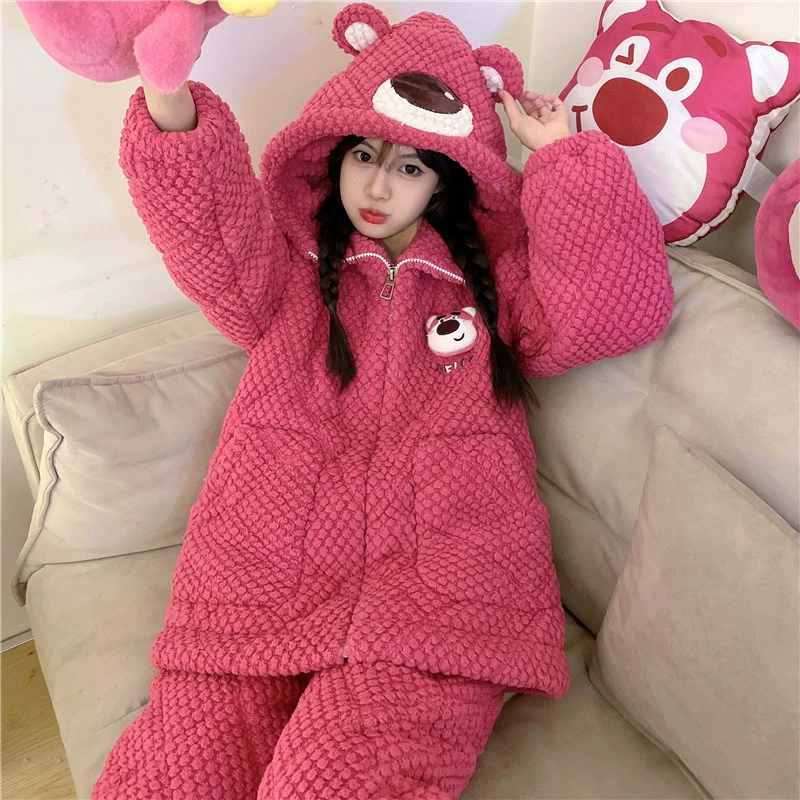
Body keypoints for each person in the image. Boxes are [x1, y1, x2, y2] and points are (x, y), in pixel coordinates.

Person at [91, 4, 673, 799]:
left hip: (442, 604)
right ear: (333, 154)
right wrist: (168, 95)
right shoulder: (287, 272)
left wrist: (563, 156)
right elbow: (208, 230)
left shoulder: (493, 288)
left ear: (445, 180)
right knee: (172, 772)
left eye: (410, 167)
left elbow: (612, 310)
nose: (375, 184)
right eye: (364, 154)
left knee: (330, 782)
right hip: (262, 579)